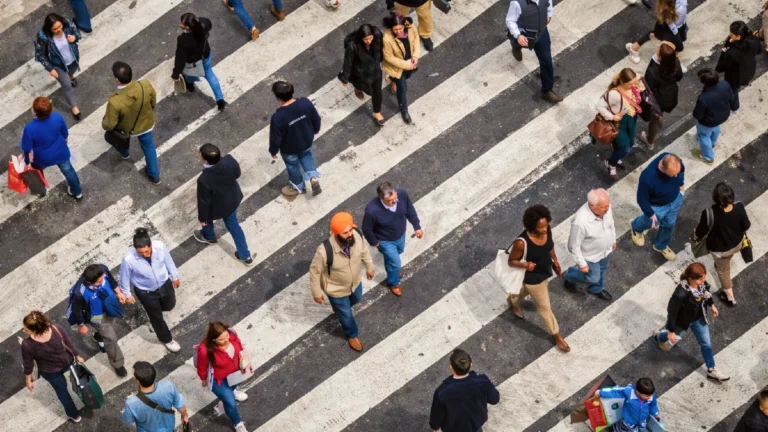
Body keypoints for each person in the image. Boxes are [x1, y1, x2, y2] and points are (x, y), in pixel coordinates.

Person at [506, 204, 570, 352]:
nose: (545, 229)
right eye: (541, 227)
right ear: (531, 226)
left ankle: (512, 300)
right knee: (544, 307)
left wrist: (555, 260)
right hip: (532, 277)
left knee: (526, 291)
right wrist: (525, 265)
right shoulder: (521, 243)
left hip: (544, 269)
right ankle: (556, 335)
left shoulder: (547, 230)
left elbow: (550, 246)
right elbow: (511, 261)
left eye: (546, 225)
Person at [309, 212, 375, 352]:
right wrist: (316, 293)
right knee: (346, 315)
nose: (350, 234)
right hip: (336, 289)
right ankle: (352, 334)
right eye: (345, 233)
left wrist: (369, 267)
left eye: (350, 230)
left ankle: (338, 308)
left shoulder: (357, 235)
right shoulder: (324, 251)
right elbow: (314, 272)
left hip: (355, 282)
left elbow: (364, 250)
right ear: (335, 234)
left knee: (357, 298)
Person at [653, 262, 729, 382]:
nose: (703, 280)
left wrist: (712, 305)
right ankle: (658, 336)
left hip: (699, 318)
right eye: (700, 278)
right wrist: (671, 330)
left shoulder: (701, 284)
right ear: (690, 278)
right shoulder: (680, 294)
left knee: (707, 344)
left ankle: (711, 370)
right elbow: (672, 312)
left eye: (704, 277)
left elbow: (706, 294)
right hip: (682, 322)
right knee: (671, 336)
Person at [118, 228, 182, 353]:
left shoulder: (160, 247)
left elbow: (168, 261)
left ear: (151, 245)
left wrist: (175, 276)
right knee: (156, 317)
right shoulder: (128, 259)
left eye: (147, 251)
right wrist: (127, 294)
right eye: (141, 253)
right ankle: (167, 339)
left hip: (164, 283)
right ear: (135, 249)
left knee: (170, 305)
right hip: (146, 292)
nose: (145, 255)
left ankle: (156, 311)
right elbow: (124, 278)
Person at [193, 143, 253, 265]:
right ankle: (245, 255)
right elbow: (237, 174)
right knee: (234, 227)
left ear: (205, 160)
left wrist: (202, 218)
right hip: (231, 200)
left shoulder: (204, 179)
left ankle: (209, 236)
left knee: (206, 218)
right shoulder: (229, 160)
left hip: (216, 206)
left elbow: (204, 202)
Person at [20, 311, 85, 423]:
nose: (23, 330)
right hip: (66, 361)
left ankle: (74, 415)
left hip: (50, 371)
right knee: (79, 381)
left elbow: (28, 364)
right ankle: (88, 398)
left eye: (26, 329)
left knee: (62, 392)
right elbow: (68, 343)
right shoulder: (56, 328)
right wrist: (77, 356)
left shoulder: (27, 344)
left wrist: (28, 381)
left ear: (35, 330)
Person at [693, 182, 750, 307]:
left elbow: (700, 232)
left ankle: (730, 297)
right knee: (726, 259)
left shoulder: (709, 213)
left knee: (723, 270)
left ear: (715, 197)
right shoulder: (739, 207)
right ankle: (724, 262)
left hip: (720, 250)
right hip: (737, 244)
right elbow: (746, 225)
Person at [103, 61, 160, 184]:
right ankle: (155, 175)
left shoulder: (115, 101)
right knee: (149, 148)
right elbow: (153, 101)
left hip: (127, 128)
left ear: (117, 79)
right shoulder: (144, 85)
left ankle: (125, 154)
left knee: (121, 141)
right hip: (146, 123)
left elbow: (109, 124)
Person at [362, 183, 423, 297]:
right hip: (385, 241)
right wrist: (375, 242)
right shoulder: (372, 211)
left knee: (397, 253)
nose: (395, 201)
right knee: (395, 264)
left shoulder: (402, 194)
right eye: (390, 200)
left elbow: (410, 210)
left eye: (395, 197)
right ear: (381, 199)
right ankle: (393, 283)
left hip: (400, 234)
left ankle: (393, 270)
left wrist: (417, 226)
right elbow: (366, 229)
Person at [68, 263, 126, 377]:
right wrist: (81, 325)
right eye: (99, 282)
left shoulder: (103, 270)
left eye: (103, 278)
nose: (102, 281)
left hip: (110, 306)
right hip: (97, 316)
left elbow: (112, 281)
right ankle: (117, 363)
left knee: (106, 329)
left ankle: (100, 337)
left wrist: (119, 293)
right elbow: (77, 310)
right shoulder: (79, 293)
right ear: (90, 282)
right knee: (111, 338)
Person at [21, 97, 83, 200]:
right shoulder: (57, 117)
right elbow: (65, 134)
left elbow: (27, 148)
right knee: (69, 171)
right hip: (61, 152)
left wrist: (27, 161)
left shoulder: (29, 129)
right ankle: (77, 192)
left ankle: (42, 190)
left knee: (37, 171)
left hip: (41, 158)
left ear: (35, 112)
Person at [269, 80, 322, 197]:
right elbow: (316, 118)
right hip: (306, 141)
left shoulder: (277, 117)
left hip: (289, 149)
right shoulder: (305, 103)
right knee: (306, 156)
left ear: (278, 98)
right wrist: (316, 128)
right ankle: (313, 178)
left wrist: (273, 151)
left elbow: (275, 137)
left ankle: (298, 187)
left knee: (293, 166)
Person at [629, 152, 684, 261]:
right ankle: (635, 227)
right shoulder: (647, 178)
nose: (675, 176)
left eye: (676, 173)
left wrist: (681, 184)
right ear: (662, 167)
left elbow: (681, 171)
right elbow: (642, 199)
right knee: (649, 222)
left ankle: (660, 245)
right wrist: (651, 214)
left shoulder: (674, 162)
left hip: (675, 200)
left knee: (669, 224)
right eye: (672, 174)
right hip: (658, 206)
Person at [505, 0, 563, 103]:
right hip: (524, 34)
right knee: (517, 42)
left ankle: (547, 90)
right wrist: (518, 35)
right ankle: (515, 47)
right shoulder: (517, 3)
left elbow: (548, 4)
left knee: (546, 60)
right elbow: (510, 20)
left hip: (541, 32)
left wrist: (549, 14)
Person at [195, 322, 249, 432]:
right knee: (230, 403)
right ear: (213, 340)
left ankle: (232, 392)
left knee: (232, 389)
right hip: (219, 381)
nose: (226, 340)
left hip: (234, 374)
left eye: (226, 336)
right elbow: (202, 368)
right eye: (221, 339)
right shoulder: (205, 351)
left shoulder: (232, 333)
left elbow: (239, 346)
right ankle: (237, 423)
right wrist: (204, 380)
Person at [428, 349, 500, 432]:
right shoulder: (482, 381)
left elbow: (436, 416)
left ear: (451, 367)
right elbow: (495, 399)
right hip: (475, 425)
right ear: (471, 364)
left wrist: (435, 427)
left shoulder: (441, 392)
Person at [563, 189, 616, 301]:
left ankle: (596, 289)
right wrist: (582, 263)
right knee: (593, 277)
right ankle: (570, 275)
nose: (607, 209)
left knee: (602, 269)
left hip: (606, 250)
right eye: (603, 207)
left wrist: (613, 239)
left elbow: (611, 224)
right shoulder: (580, 221)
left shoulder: (605, 207)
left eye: (608, 205)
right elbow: (573, 245)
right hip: (590, 256)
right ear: (592, 205)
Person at [172, 13, 229, 111]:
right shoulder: (203, 25)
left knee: (190, 74)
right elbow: (208, 23)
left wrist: (176, 74)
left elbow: (180, 59)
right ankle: (220, 99)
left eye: (181, 23)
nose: (179, 24)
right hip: (205, 56)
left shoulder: (183, 40)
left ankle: (190, 85)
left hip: (193, 61)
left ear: (187, 27)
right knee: (210, 74)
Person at [596, 68, 643, 181]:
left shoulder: (633, 84)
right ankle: (611, 164)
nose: (633, 85)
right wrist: (613, 117)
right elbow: (599, 106)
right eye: (630, 84)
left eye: (634, 82)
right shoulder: (614, 94)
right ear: (622, 82)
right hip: (619, 124)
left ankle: (616, 156)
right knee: (625, 148)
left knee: (630, 143)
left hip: (631, 119)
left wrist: (639, 89)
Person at [34, 13, 83, 120]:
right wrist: (50, 68)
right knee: (67, 86)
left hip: (73, 59)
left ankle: (70, 76)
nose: (58, 30)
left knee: (72, 71)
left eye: (60, 26)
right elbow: (40, 54)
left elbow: (78, 34)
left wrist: (75, 37)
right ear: (49, 29)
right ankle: (74, 107)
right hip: (58, 65)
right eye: (54, 29)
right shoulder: (44, 37)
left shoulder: (68, 24)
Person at [339, 24, 386, 126]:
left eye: (370, 38)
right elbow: (348, 63)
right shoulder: (353, 46)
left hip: (375, 71)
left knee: (377, 92)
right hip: (360, 73)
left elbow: (383, 51)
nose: (369, 41)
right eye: (366, 39)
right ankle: (357, 88)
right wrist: (345, 78)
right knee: (360, 85)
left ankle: (376, 112)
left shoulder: (377, 39)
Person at [121, 361, 189, 432]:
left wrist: (124, 411)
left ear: (137, 381)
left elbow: (128, 420)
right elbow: (183, 411)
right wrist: (185, 427)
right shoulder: (168, 386)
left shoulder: (131, 403)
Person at [640, 41, 683, 150]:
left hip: (657, 99)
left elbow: (648, 86)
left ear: (660, 57)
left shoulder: (653, 71)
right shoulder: (676, 63)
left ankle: (650, 141)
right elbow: (679, 76)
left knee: (655, 120)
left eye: (658, 50)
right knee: (658, 116)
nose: (656, 49)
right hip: (671, 94)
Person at [691, 68, 739, 165]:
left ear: (704, 83)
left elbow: (698, 115)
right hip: (723, 116)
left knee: (703, 136)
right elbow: (732, 97)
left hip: (708, 122)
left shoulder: (703, 98)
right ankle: (712, 142)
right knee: (715, 128)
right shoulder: (725, 84)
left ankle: (708, 157)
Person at [382, 13, 420, 124]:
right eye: (395, 29)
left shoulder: (410, 27)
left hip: (409, 62)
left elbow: (416, 39)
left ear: (404, 25)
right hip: (396, 68)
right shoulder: (387, 39)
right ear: (391, 28)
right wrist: (407, 65)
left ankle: (391, 79)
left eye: (400, 28)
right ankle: (404, 111)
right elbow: (389, 57)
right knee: (402, 89)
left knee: (407, 77)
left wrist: (415, 55)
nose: (398, 32)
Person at [625, 0, 687, 66]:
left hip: (678, 25)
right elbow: (669, 22)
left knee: (657, 36)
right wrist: (676, 33)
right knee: (678, 47)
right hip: (669, 27)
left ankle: (671, 61)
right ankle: (633, 48)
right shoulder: (668, 7)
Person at [594, 378, 661, 432]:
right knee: (621, 429)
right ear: (638, 392)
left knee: (639, 430)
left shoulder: (651, 396)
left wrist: (655, 414)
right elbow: (616, 391)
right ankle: (615, 429)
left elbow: (653, 405)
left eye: (651, 394)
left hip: (642, 421)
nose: (650, 397)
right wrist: (601, 392)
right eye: (647, 396)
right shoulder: (629, 392)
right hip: (629, 421)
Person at [715, 21, 763, 93]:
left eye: (731, 34)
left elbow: (721, 67)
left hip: (735, 75)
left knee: (732, 86)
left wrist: (726, 47)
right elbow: (759, 50)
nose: (729, 35)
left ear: (738, 37)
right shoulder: (754, 40)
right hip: (749, 69)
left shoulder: (732, 52)